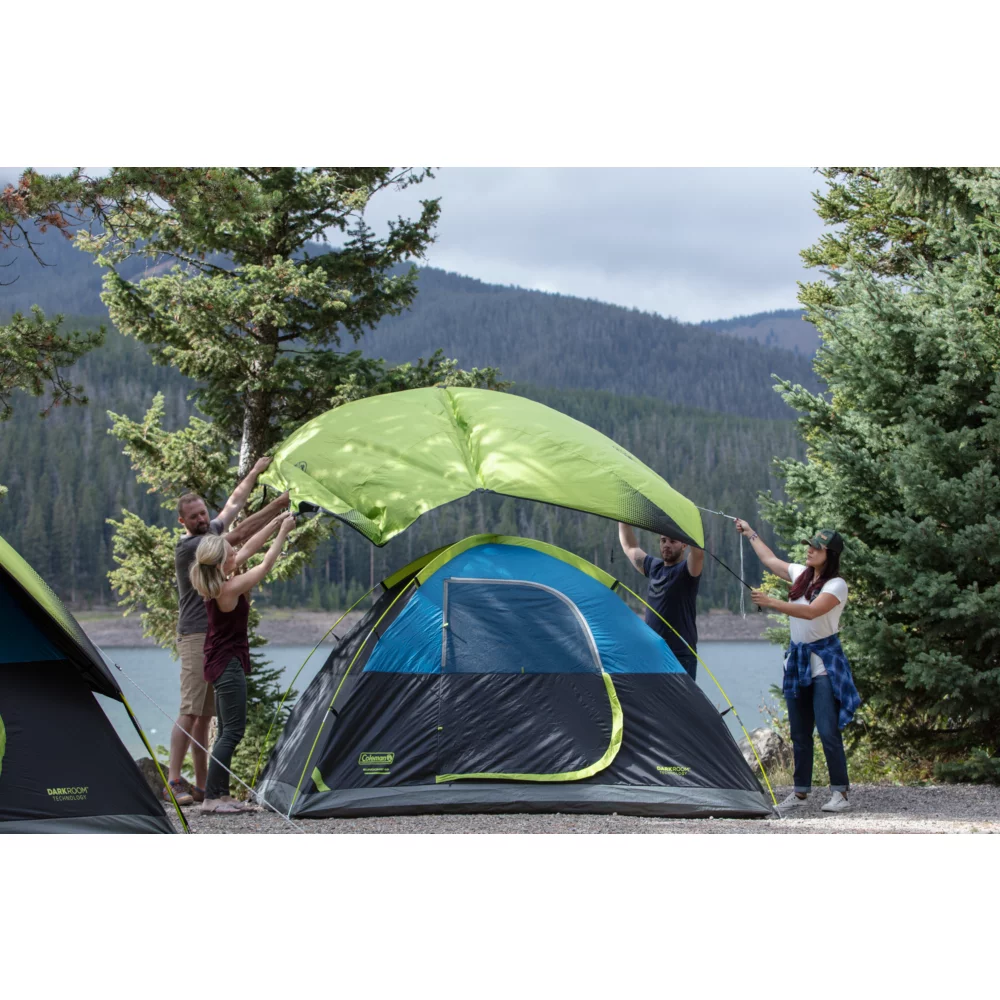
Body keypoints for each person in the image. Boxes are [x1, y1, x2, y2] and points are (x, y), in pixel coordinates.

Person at [169, 457, 287, 806]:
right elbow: (240, 537)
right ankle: (174, 781)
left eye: (203, 513)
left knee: (206, 716)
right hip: (197, 635)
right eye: (194, 517)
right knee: (191, 709)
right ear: (182, 521)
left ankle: (205, 787)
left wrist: (255, 472)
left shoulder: (210, 541)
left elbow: (234, 505)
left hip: (212, 639)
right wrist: (279, 509)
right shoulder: (195, 549)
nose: (202, 519)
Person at [734, 519, 861, 814]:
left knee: (827, 731)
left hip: (824, 665)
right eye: (809, 546)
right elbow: (770, 560)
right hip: (797, 662)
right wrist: (750, 533)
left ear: (830, 555)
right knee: (800, 734)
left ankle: (840, 793)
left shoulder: (837, 585)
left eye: (816, 548)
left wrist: (772, 602)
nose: (809, 550)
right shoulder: (801, 574)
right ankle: (800, 792)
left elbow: (811, 612)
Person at [189, 510, 297, 814]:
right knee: (233, 731)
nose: (236, 553)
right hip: (227, 665)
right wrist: (283, 533)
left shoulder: (217, 580)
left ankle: (220, 795)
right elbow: (264, 565)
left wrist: (274, 522)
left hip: (219, 662)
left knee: (226, 730)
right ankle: (211, 799)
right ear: (222, 563)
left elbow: (248, 549)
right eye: (231, 553)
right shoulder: (228, 588)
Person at [618, 523, 704, 678]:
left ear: (684, 545)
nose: (666, 545)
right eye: (663, 540)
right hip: (652, 654)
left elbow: (698, 555)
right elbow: (630, 547)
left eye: (672, 541)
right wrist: (623, 522)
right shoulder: (654, 567)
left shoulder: (687, 572)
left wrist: (689, 525)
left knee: (680, 697)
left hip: (680, 657)